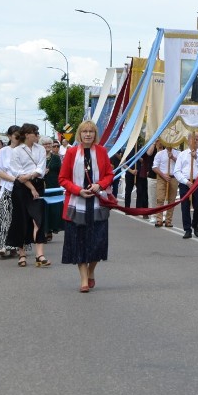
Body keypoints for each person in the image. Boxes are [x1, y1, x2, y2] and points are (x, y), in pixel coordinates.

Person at [59, 120, 114, 293]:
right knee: (78, 242)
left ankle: (91, 272)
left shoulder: (102, 151)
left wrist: (99, 185)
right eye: (84, 131)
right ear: (79, 134)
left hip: (97, 203)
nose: (88, 134)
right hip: (77, 204)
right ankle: (84, 279)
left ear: (95, 134)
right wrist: (77, 190)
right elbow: (62, 179)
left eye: (91, 131)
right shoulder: (71, 152)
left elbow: (109, 174)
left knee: (97, 242)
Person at [5, 123, 50, 268]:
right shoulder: (16, 151)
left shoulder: (41, 149)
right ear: (26, 135)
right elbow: (17, 173)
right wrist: (30, 186)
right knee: (21, 219)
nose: (37, 135)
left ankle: (40, 254)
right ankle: (22, 253)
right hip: (21, 188)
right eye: (34, 132)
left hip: (37, 184)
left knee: (38, 218)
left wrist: (30, 175)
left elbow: (41, 168)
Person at [173, 132, 198, 239]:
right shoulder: (182, 155)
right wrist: (186, 182)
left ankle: (195, 224)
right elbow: (176, 171)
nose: (195, 142)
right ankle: (187, 229)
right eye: (193, 139)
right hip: (185, 183)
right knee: (185, 206)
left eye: (197, 140)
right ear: (188, 141)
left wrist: (196, 157)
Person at [0, 127, 20, 257]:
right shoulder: (4, 151)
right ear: (9, 136)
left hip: (21, 187)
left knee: (17, 217)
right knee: (4, 216)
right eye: (16, 135)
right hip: (7, 186)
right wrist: (13, 179)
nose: (18, 138)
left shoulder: (24, 150)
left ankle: (16, 245)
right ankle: (3, 245)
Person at [41, 136, 64, 241]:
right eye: (45, 144)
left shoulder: (56, 157)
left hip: (54, 185)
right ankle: (43, 231)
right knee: (42, 208)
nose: (47, 146)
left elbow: (60, 171)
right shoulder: (38, 157)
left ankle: (50, 229)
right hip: (41, 185)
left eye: (49, 144)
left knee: (53, 209)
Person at [152, 142, 179, 228]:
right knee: (160, 198)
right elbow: (154, 167)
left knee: (172, 200)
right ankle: (159, 219)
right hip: (162, 177)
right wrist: (164, 176)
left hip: (173, 177)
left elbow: (182, 163)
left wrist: (173, 157)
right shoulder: (160, 154)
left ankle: (168, 220)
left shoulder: (178, 153)